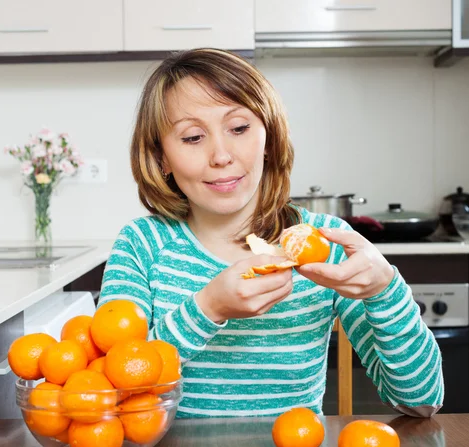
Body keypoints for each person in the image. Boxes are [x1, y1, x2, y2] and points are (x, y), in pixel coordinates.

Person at [98, 47, 443, 419]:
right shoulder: (142, 245)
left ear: (269, 139)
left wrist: (385, 291)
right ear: (162, 158)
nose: (221, 156)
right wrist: (207, 309)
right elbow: (107, 392)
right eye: (193, 137)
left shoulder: (325, 241)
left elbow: (421, 402)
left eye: (239, 128)